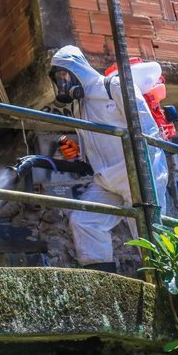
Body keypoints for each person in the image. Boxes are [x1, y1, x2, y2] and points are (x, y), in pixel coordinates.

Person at [48, 45, 168, 272]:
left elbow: (147, 130)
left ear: (78, 70)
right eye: (59, 78)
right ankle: (102, 281)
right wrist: (78, 152)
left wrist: (145, 174)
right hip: (106, 179)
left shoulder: (113, 87)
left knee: (150, 235)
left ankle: (172, 292)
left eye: (65, 75)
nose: (63, 83)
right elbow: (93, 142)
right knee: (85, 221)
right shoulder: (78, 106)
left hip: (138, 173)